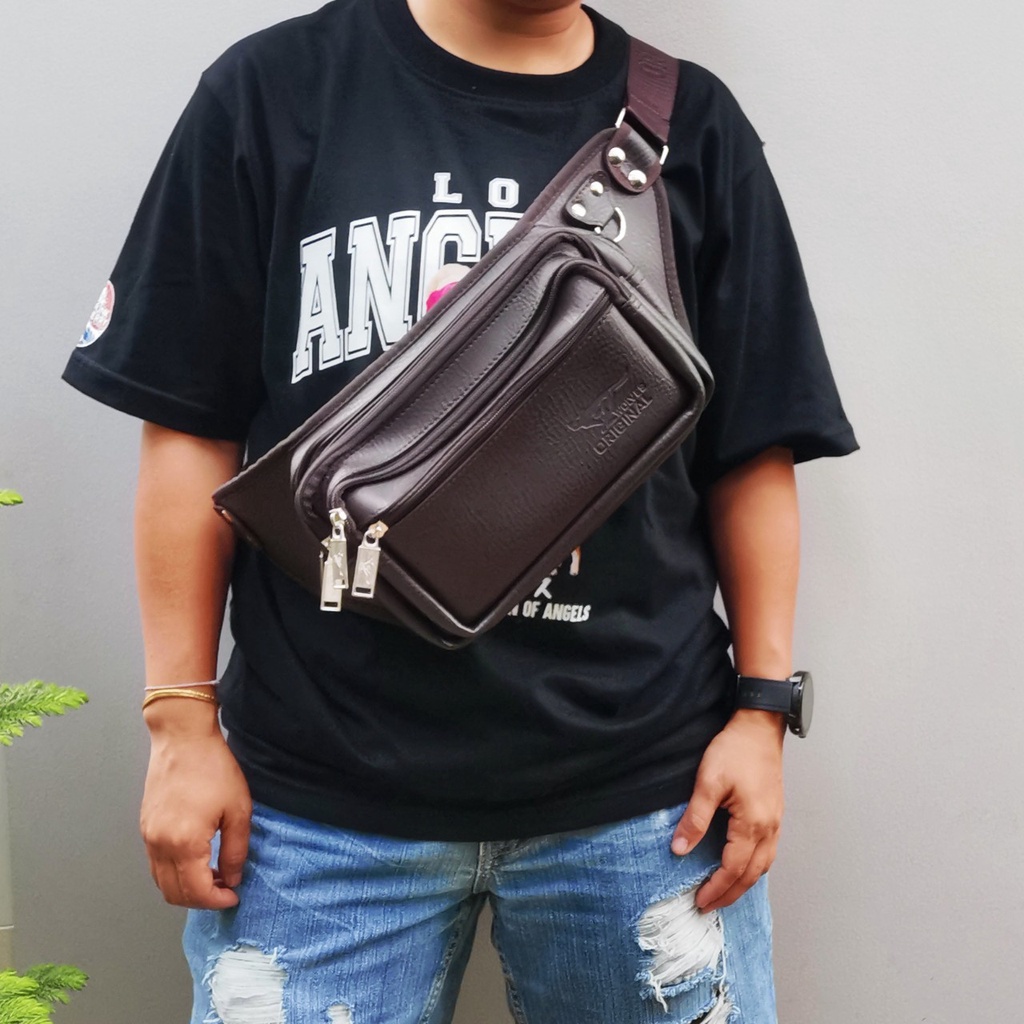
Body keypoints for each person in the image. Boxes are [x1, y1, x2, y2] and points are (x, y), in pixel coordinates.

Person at [63, 0, 857, 1020]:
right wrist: (179, 723)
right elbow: (186, 427)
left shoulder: (690, 125)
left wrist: (760, 712)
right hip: (316, 805)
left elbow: (753, 450)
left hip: (644, 801)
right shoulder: (274, 91)